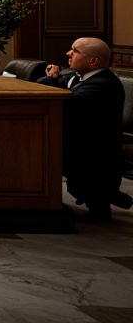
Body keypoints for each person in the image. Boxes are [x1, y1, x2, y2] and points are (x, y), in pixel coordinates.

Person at [37, 37, 132, 221]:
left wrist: (53, 80)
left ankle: (100, 204)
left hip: (95, 157)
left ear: (93, 61)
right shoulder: (76, 77)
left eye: (75, 50)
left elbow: (66, 103)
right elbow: (49, 86)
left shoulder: (103, 84)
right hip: (78, 144)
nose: (68, 53)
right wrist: (54, 78)